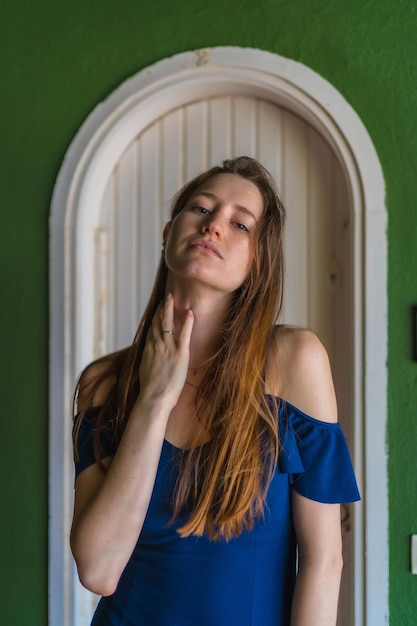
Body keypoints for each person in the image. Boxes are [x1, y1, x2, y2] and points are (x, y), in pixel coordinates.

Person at [71, 156, 360, 626]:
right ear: (168, 234)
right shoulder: (104, 383)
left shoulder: (294, 362)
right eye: (202, 210)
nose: (214, 226)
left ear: (258, 261)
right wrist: (154, 399)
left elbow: (324, 562)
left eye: (240, 224)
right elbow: (99, 570)